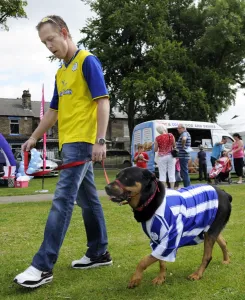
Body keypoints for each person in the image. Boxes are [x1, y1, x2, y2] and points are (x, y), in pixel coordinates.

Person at [14, 15, 112, 288]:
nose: (49, 46)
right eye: (44, 43)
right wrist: (33, 137)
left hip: (83, 143)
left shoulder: (87, 61)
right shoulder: (60, 72)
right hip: (68, 144)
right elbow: (54, 112)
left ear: (65, 33)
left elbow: (103, 101)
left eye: (51, 39)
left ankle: (42, 266)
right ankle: (99, 252)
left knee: (62, 201)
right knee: (89, 202)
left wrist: (100, 141)